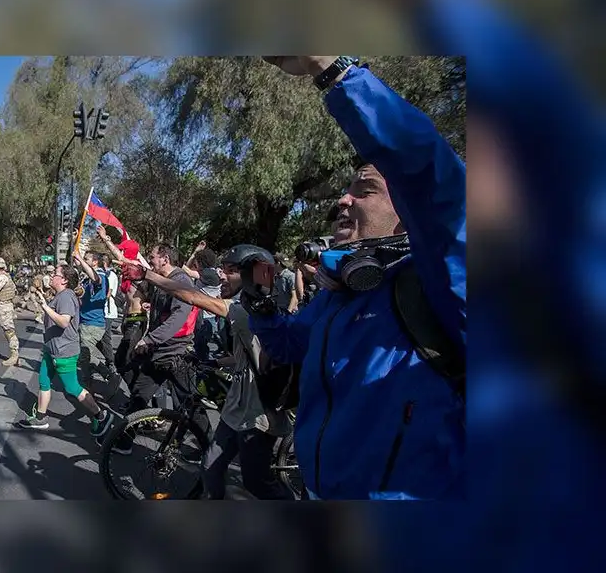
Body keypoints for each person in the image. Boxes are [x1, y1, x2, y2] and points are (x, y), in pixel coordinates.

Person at [243, 56, 465, 500]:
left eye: (364, 190)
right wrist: (262, 304)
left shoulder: (442, 287)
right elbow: (289, 345)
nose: (343, 200)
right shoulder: (337, 295)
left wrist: (336, 72)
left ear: (408, 219)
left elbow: (430, 177)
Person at [141, 248, 294, 499]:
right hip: (236, 408)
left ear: (252, 276)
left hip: (258, 416)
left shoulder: (247, 312)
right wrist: (211, 362)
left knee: (258, 484)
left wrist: (148, 275)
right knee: (210, 468)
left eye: (231, 271)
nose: (222, 276)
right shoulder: (246, 307)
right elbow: (243, 357)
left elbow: (191, 296)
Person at [114, 243, 208, 453]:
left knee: (190, 402)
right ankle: (123, 442)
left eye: (153, 257)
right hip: (159, 353)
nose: (151, 260)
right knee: (138, 395)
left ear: (165, 258)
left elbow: (178, 317)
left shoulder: (181, 281)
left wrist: (150, 339)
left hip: (177, 353)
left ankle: (207, 448)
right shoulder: (164, 281)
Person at [15, 264, 114, 440]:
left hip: (64, 351)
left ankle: (102, 415)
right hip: (51, 349)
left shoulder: (67, 297)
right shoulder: (61, 295)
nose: (51, 276)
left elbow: (64, 322)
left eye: (55, 274)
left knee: (72, 387)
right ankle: (40, 417)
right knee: (44, 381)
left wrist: (45, 307)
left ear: (64, 280)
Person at [95, 225, 149, 393]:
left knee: (124, 359)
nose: (121, 254)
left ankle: (140, 394)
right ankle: (139, 393)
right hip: (129, 320)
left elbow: (120, 257)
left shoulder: (137, 266)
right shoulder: (127, 270)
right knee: (126, 360)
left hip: (138, 320)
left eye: (124, 251)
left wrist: (105, 239)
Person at [73, 251, 109, 385]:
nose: (83, 260)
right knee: (83, 356)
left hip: (93, 323)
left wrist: (79, 259)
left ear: (95, 262)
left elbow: (96, 279)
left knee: (84, 356)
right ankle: (87, 382)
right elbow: (79, 267)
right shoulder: (87, 278)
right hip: (84, 321)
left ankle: (108, 375)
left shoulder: (100, 276)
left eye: (86, 259)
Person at [99, 256, 121, 380]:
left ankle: (111, 363)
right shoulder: (104, 274)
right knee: (101, 338)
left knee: (103, 338)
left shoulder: (111, 275)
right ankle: (110, 361)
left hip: (108, 311)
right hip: (102, 311)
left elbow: (108, 293)